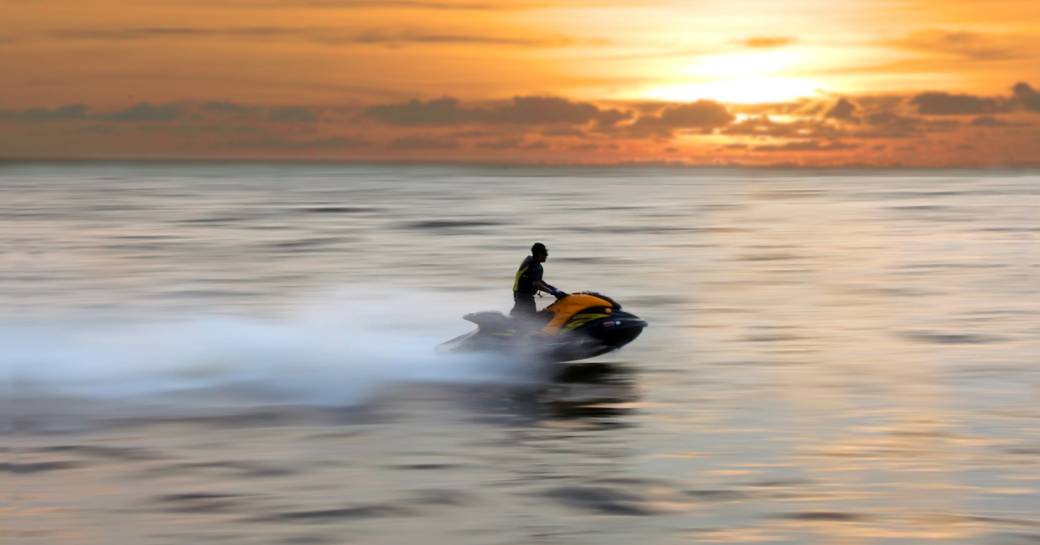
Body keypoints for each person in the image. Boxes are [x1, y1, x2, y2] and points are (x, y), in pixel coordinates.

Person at [511, 242, 566, 319]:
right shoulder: (534, 266)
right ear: (539, 254)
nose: (547, 255)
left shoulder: (529, 259)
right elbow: (536, 283)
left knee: (518, 315)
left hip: (518, 294)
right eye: (545, 253)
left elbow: (538, 281)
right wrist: (552, 292)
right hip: (524, 297)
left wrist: (554, 289)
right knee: (531, 319)